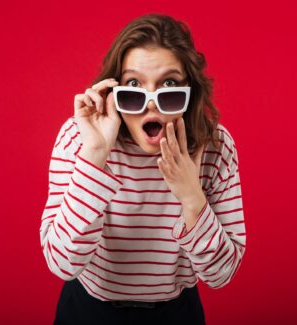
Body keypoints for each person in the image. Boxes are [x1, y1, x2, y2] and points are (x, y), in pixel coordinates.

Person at [39, 13, 246, 325]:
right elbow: (62, 263)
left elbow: (221, 274)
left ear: (189, 92)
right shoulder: (78, 138)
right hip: (88, 311)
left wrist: (192, 196)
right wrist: (95, 155)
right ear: (114, 91)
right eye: (134, 84)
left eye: (170, 84)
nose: (151, 103)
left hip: (176, 313)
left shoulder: (215, 147)